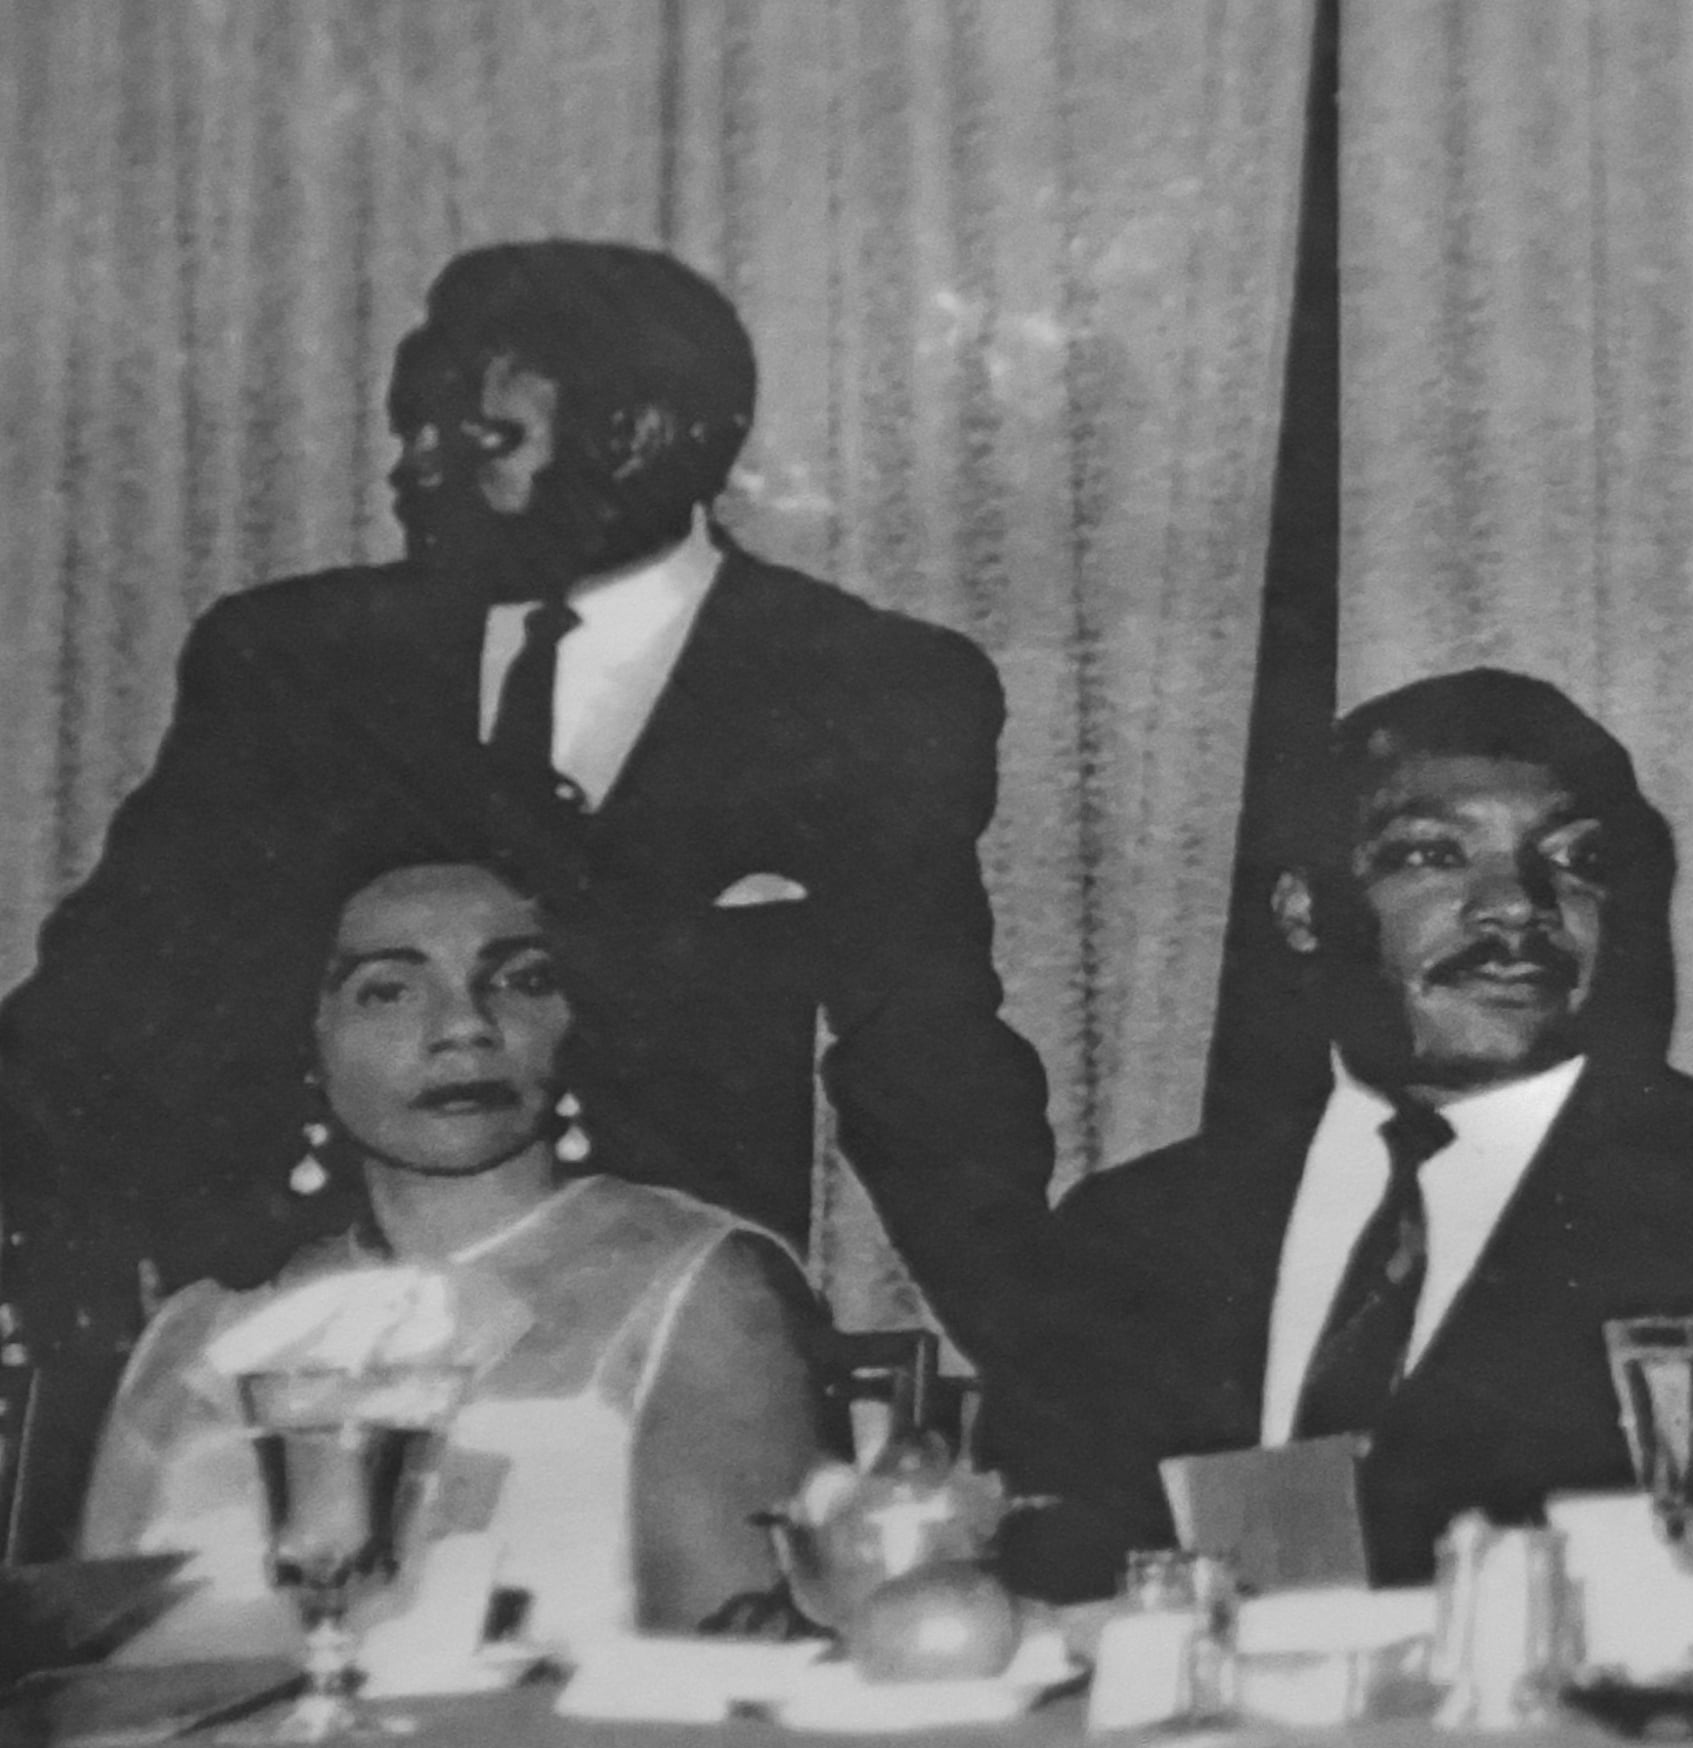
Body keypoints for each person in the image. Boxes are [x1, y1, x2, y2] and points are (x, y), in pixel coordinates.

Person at [0, 239, 1052, 1455]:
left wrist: (1050, 1358)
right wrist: (48, 1211)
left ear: (643, 435)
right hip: (300, 1340)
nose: (412, 469)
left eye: (477, 437)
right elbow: (110, 978)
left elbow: (925, 1065)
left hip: (642, 1341)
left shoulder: (861, 686)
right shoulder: (289, 661)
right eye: (411, 430)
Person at [987, 670, 1693, 1602]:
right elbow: (1046, 1573)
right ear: (1304, 910)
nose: (1518, 909)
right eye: (1433, 857)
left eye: (1573, 861)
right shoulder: (1128, 1238)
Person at [80, 852, 823, 1655]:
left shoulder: (701, 1285)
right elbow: (85, 1692)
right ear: (301, 1036)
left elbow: (722, 1681)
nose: (465, 1026)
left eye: (521, 980)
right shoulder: (202, 1325)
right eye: (391, 990)